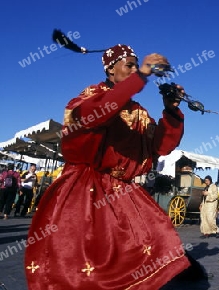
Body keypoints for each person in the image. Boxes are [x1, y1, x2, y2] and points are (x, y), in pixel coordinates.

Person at [24, 44, 191, 289]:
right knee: (86, 261)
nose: (135, 69)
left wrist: (171, 110)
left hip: (124, 191)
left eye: (137, 65)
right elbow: (99, 111)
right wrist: (141, 76)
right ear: (110, 69)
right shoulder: (91, 96)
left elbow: (161, 147)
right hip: (86, 188)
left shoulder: (139, 113)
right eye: (130, 65)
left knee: (148, 246)